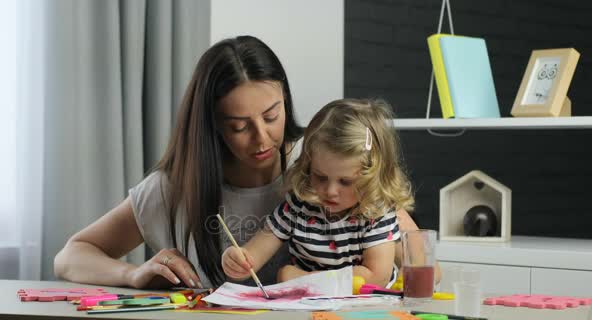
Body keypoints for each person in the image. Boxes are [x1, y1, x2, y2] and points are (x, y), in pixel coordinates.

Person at [54, 35, 303, 289]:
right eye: (239, 127)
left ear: (285, 99)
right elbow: (70, 256)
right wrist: (132, 274)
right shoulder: (173, 188)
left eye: (271, 116)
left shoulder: (319, 168)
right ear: (213, 124)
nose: (261, 138)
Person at [221, 99, 414, 287]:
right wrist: (238, 261)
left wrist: (300, 278)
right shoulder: (299, 206)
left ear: (372, 178)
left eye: (345, 182)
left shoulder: (377, 213)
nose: (330, 191)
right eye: (320, 177)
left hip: (367, 308)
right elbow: (253, 255)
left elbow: (374, 277)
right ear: (308, 166)